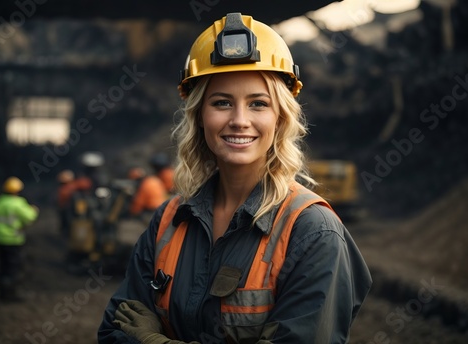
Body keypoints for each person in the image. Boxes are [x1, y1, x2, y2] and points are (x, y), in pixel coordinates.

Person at [99, 12, 372, 343]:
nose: (240, 120)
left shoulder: (313, 233)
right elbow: (114, 332)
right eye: (222, 102)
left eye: (258, 104)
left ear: (280, 119)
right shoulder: (169, 221)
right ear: (200, 116)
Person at [0, 176, 39, 301]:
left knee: (3, 266)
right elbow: (29, 217)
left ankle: (2, 292)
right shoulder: (17, 203)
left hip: (0, 239)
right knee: (14, 267)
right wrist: (34, 210)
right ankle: (12, 293)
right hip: (14, 240)